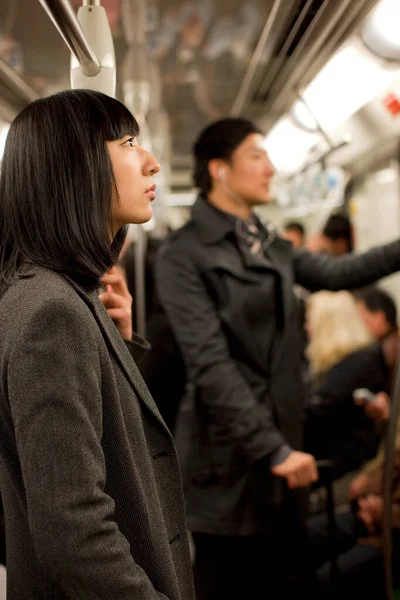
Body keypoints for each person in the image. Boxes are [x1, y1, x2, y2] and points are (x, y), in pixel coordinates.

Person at [155, 116, 400, 599]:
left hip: (280, 454)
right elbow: (211, 367)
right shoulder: (184, 254)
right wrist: (275, 450)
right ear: (220, 169)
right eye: (257, 156)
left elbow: (339, 271)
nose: (270, 168)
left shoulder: (265, 241)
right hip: (229, 462)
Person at [0, 89, 195, 600]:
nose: (151, 164)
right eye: (129, 142)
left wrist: (118, 344)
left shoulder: (59, 296)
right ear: (76, 166)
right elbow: (74, 532)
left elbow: (96, 442)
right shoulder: (52, 312)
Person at [304, 291, 386, 481]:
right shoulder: (343, 361)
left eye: (310, 321)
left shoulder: (358, 361)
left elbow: (315, 406)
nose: (306, 327)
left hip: (341, 456)